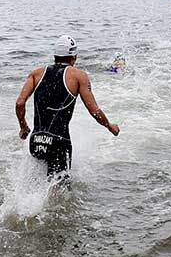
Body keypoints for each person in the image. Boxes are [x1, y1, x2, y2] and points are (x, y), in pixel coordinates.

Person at [16, 35, 120, 177]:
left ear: (55, 55)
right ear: (74, 57)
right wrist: (109, 125)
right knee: (60, 190)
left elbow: (20, 103)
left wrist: (23, 127)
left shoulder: (36, 74)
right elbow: (94, 111)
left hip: (36, 141)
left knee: (37, 185)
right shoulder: (79, 76)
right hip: (59, 143)